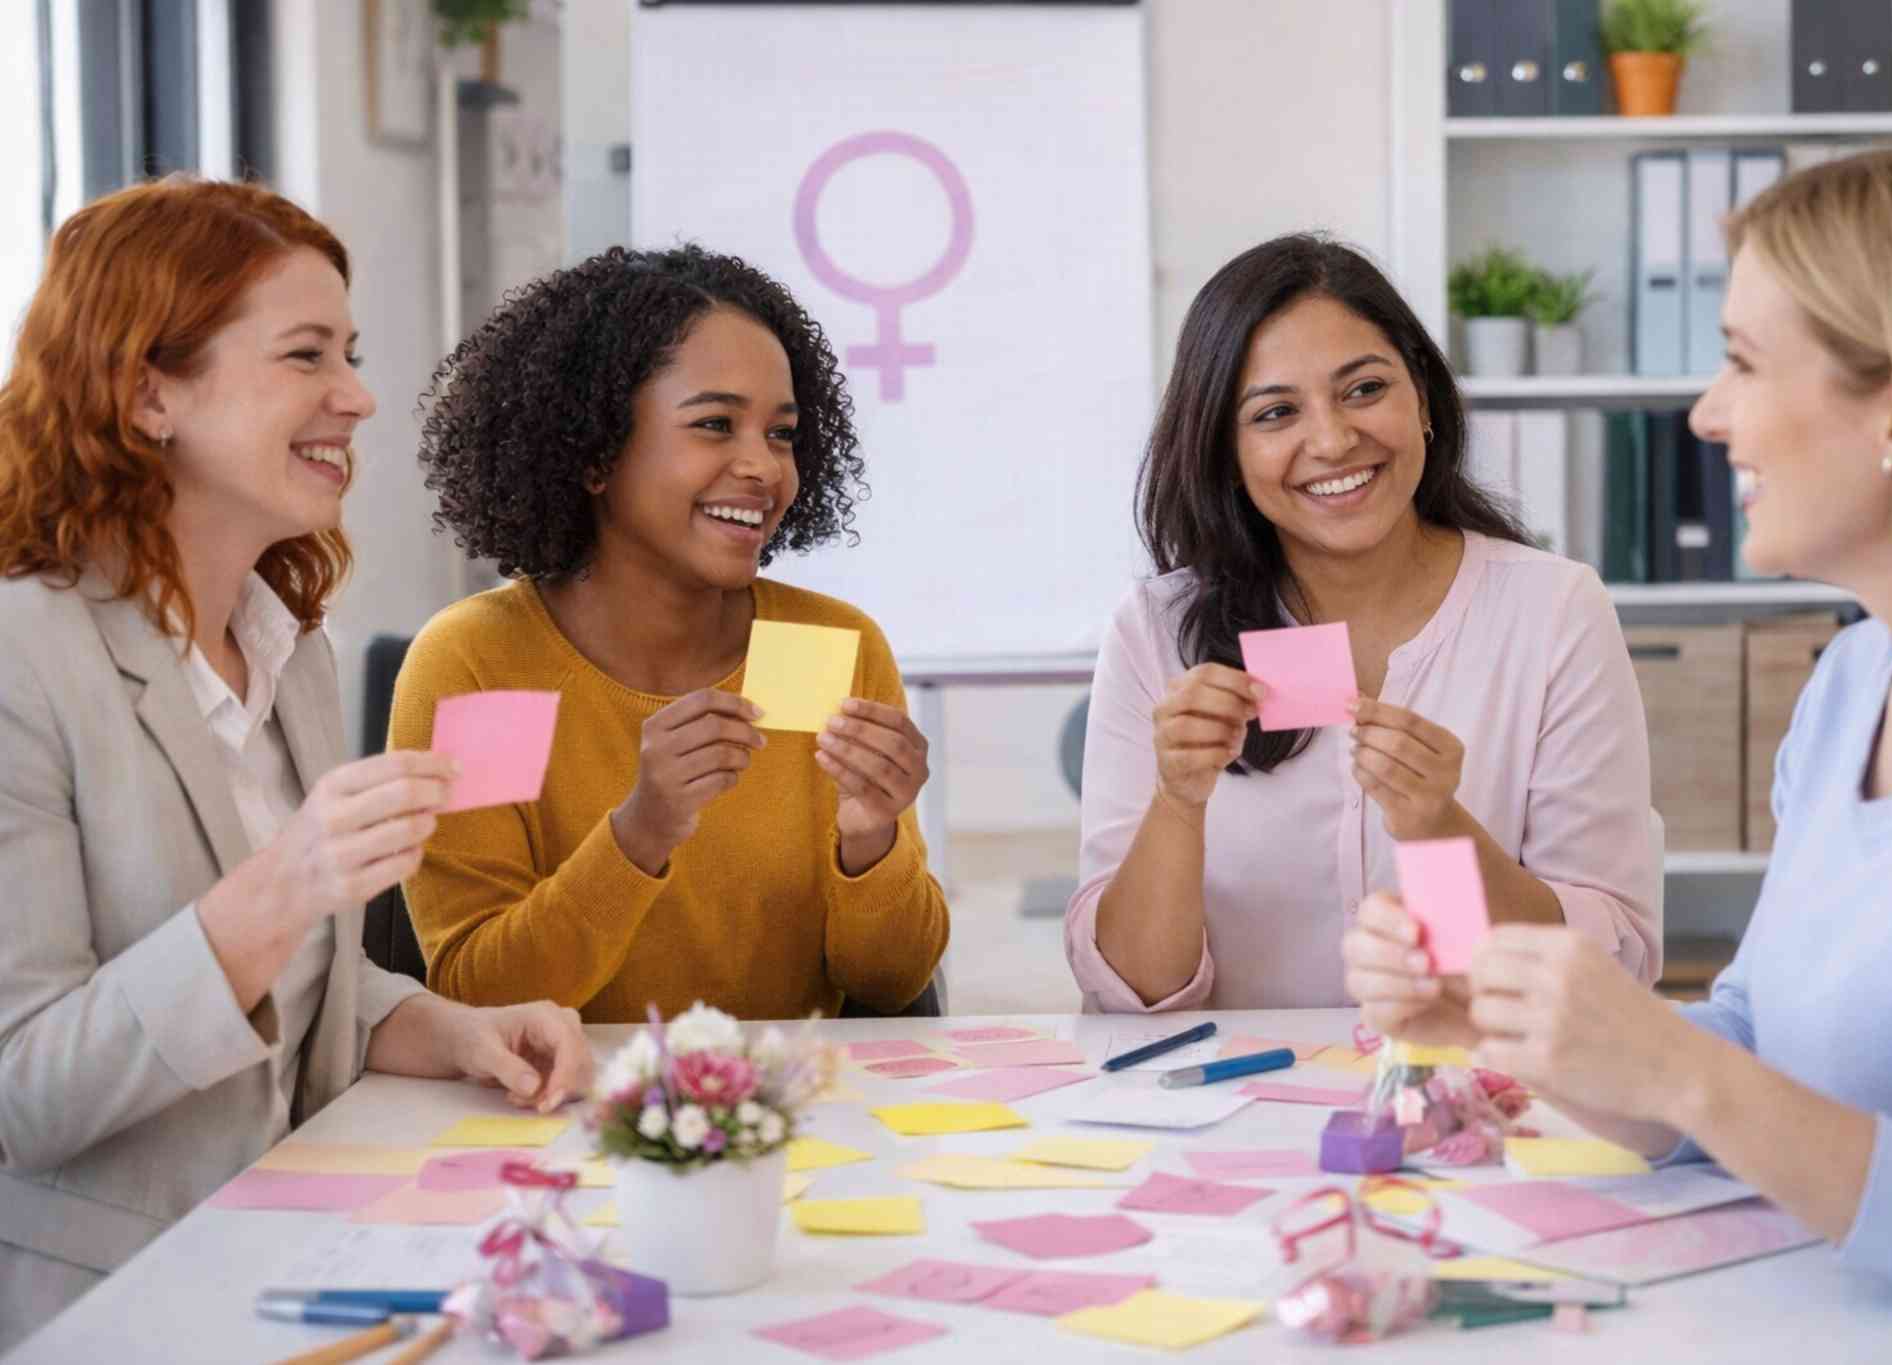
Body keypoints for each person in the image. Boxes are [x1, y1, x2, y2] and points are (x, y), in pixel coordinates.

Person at [1373, 138, 1892, 1361]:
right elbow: (1748, 1039)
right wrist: (1511, 1022)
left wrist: (1685, 1078)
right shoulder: (1851, 684)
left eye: (1740, 362)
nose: (1703, 412)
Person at [0, 177, 592, 1351]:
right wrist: (285, 885)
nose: (359, 397)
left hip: (304, 1257)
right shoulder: (22, 659)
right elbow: (26, 1094)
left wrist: (451, 1028)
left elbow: (300, 987)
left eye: (351, 353)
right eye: (306, 356)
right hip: (120, 1309)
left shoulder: (287, 644)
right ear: (149, 391)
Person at [1067, 233, 1661, 1013]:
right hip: (1226, 1109)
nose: (1333, 439)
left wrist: (1435, 831)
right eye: (1276, 412)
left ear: (1422, 397)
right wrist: (1179, 801)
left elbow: (1605, 970)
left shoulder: (1551, 613)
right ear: (1225, 452)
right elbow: (1136, 994)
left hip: (1465, 1094)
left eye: (1363, 389)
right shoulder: (1155, 630)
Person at [392, 245, 948, 1022]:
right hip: (556, 1121)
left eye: (782, 433)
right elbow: (482, 990)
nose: (762, 466)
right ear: (594, 452)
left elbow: (891, 984)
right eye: (715, 424)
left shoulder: (818, 647)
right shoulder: (491, 665)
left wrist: (870, 841)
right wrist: (639, 832)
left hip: (801, 1122)